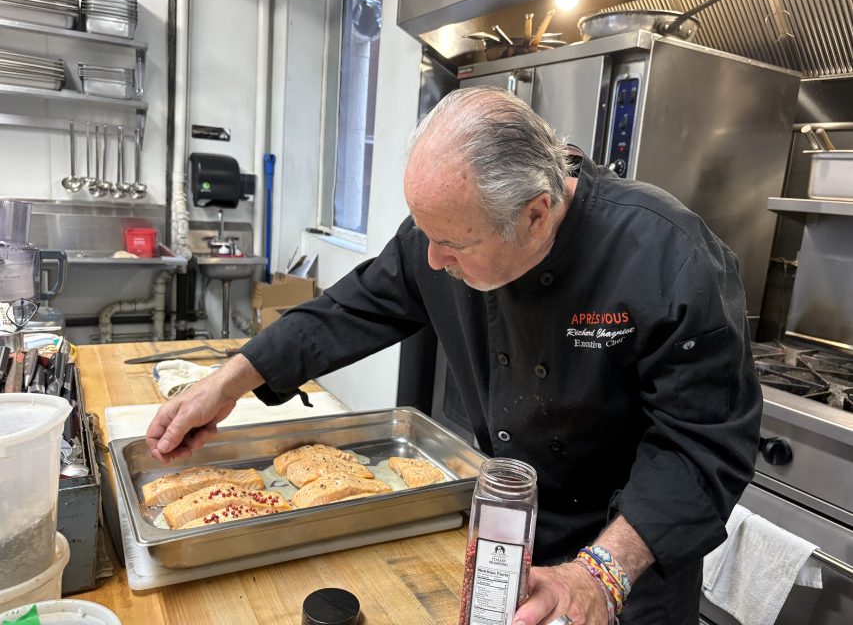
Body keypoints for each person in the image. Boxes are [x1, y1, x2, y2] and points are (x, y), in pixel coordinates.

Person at [147, 87, 762, 624]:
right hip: (502, 528)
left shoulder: (669, 258)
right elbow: (349, 308)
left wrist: (600, 573)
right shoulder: (445, 232)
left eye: (453, 244)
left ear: (536, 214)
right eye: (424, 234)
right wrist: (229, 379)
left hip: (626, 560)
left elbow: (701, 445)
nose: (432, 260)